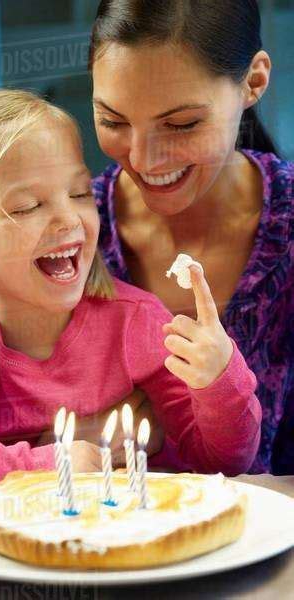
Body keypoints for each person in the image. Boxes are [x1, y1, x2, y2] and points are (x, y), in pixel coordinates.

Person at [0, 89, 260, 496]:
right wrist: (40, 464)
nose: (69, 219)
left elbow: (222, 459)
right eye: (27, 207)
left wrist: (220, 379)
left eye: (79, 194)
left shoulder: (135, 320)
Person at [89, 0, 294, 474]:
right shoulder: (68, 236)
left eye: (181, 124)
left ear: (253, 82)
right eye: (113, 121)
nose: (143, 159)